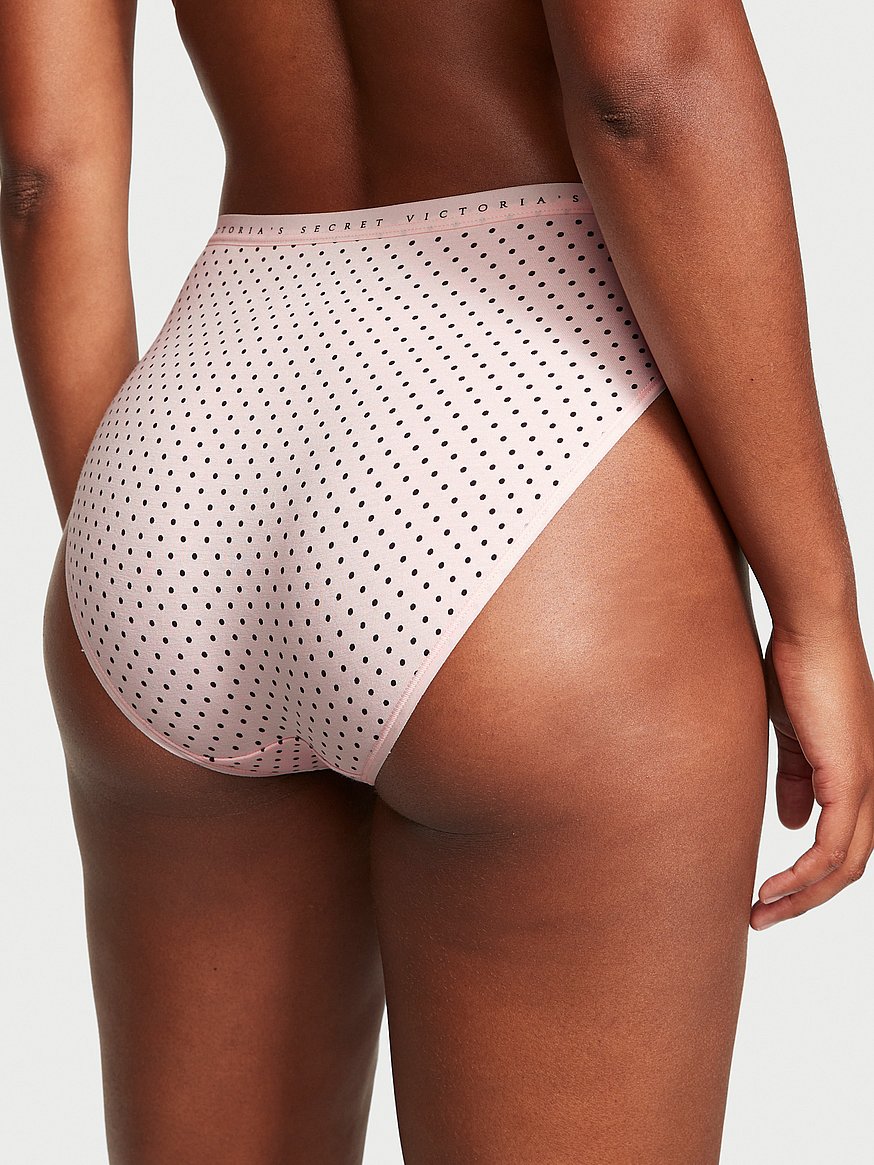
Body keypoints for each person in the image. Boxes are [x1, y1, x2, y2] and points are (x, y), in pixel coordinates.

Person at [2, 0, 872, 1160]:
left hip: (198, 420)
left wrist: (139, 563)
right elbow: (644, 77)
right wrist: (816, 605)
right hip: (524, 420)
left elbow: (41, 170)